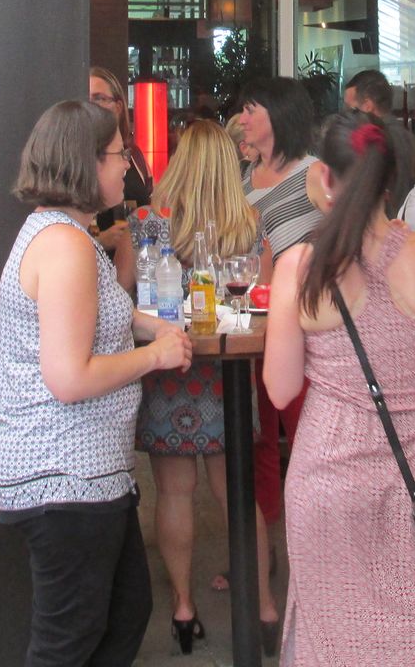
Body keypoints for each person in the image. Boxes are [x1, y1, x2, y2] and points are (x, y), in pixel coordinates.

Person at [0, 99, 192, 666]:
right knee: (69, 640)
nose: (127, 166)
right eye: (118, 154)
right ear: (85, 162)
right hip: (62, 474)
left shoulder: (68, 234)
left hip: (86, 474)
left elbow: (95, 314)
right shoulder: (65, 246)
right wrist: (155, 356)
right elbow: (69, 377)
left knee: (124, 613)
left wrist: (150, 325)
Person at [265, 111, 415, 665]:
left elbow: (280, 389)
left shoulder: (300, 266)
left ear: (325, 177)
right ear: (390, 177)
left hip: (329, 475)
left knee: (334, 637)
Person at [138, 120, 278, 652]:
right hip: (229, 376)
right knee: (237, 495)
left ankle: (182, 607)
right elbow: (261, 306)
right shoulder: (250, 225)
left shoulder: (149, 223)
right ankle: (263, 606)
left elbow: (129, 298)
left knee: (174, 493)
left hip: (169, 368)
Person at [239, 77, 323, 528]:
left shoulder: (314, 173)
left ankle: (316, 534)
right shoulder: (242, 177)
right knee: (259, 439)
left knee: (306, 433)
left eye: (251, 109)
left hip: (305, 328)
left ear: (280, 116)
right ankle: (264, 542)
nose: (243, 119)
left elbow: (352, 234)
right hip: (255, 325)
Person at [89, 66, 152, 287]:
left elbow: (150, 203)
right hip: (99, 272)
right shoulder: (79, 160)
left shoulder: (135, 155)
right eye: (87, 99)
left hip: (142, 271)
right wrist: (101, 240)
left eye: (98, 98)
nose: (91, 106)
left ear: (118, 106)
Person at [342, 68, 415, 216]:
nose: (347, 117)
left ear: (367, 105)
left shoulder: (378, 142)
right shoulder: (407, 137)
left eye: (351, 110)